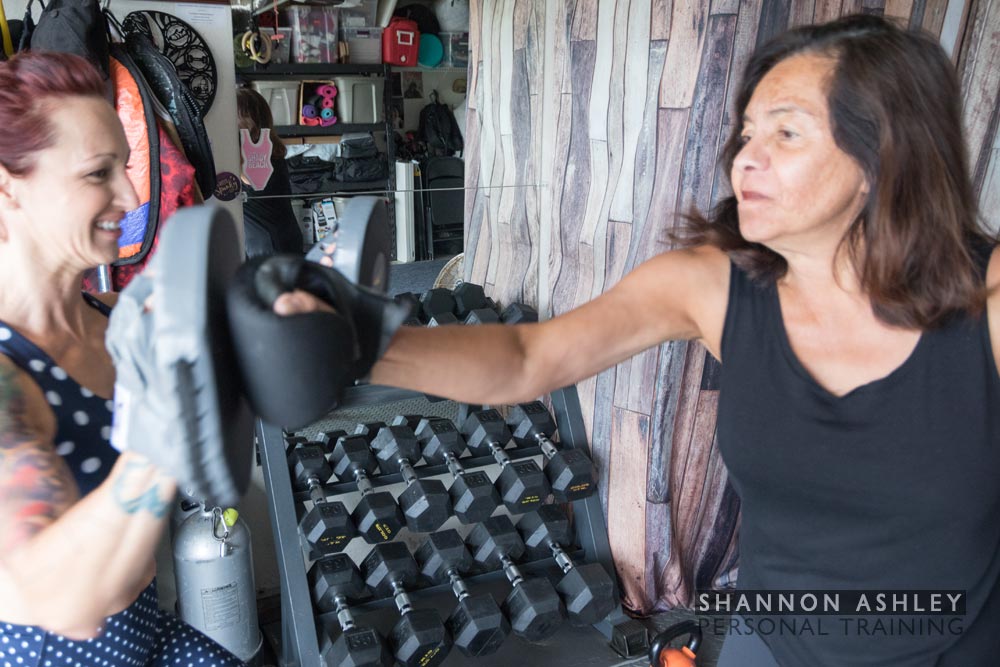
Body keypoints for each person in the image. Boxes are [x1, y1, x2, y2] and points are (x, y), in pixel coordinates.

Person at [276, 14, 999, 666]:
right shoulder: (713, 287)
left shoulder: (988, 300)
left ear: (885, 153)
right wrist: (365, 340)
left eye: (787, 131)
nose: (746, 158)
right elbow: (530, 358)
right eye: (746, 133)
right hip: (778, 643)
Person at [0, 51, 244, 667]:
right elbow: (61, 601)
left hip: (146, 632)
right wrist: (165, 428)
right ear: (8, 191)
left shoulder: (117, 318)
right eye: (97, 173)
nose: (131, 194)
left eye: (125, 168)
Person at [236, 86, 303, 260]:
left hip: (272, 245)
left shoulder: (260, 155)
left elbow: (245, 175)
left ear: (252, 120)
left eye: (236, 115)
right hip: (266, 242)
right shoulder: (263, 150)